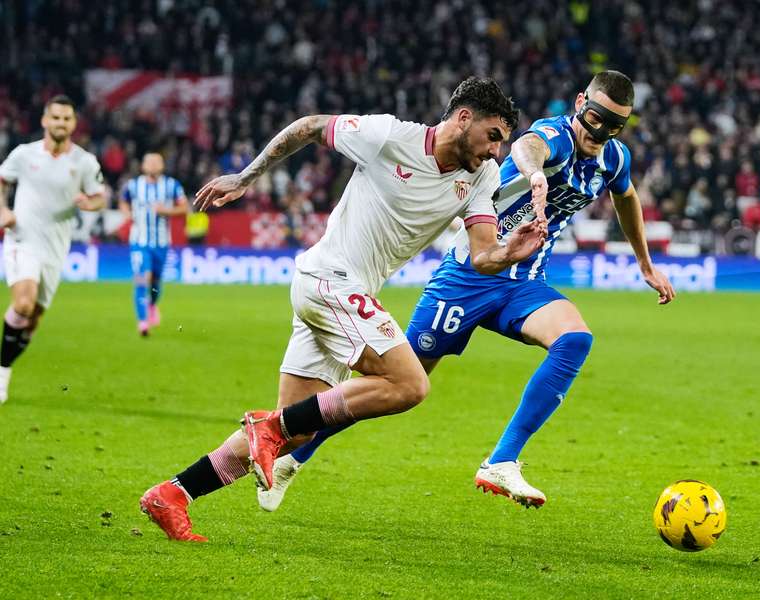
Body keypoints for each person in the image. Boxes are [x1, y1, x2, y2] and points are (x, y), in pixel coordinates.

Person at [139, 77, 546, 541]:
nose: (497, 151)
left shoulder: (482, 177)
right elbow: (310, 126)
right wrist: (245, 177)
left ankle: (174, 493)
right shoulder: (390, 136)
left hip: (343, 293)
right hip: (329, 279)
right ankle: (267, 428)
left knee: (297, 431)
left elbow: (482, 255)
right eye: (493, 136)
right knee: (410, 384)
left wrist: (510, 252)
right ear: (464, 117)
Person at [259, 71, 675, 511]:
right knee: (393, 385)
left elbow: (626, 197)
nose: (600, 132)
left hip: (523, 281)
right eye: (595, 118)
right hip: (467, 278)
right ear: (579, 104)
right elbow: (526, 147)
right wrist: (534, 174)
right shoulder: (555, 136)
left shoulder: (613, 158)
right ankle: (294, 457)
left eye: (614, 126)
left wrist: (645, 264)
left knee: (574, 339)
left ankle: (502, 460)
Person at [0, 95, 106, 404]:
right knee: (22, 304)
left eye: (66, 118)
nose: (60, 123)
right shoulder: (24, 154)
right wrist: (3, 211)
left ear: (73, 123)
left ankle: (6, 362)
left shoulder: (84, 162)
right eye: (55, 117)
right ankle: (2, 371)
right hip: (23, 238)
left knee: (32, 320)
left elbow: (100, 196)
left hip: (55, 247)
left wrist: (91, 203)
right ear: (45, 120)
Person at [119, 153, 188, 336]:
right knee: (142, 278)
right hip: (139, 242)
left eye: (156, 161)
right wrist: (127, 213)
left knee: (155, 281)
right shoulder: (133, 185)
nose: (152, 165)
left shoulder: (172, 185)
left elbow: (184, 208)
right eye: (149, 161)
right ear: (143, 166)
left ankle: (152, 305)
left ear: (162, 166)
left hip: (162, 242)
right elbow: (123, 201)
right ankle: (142, 322)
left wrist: (165, 210)